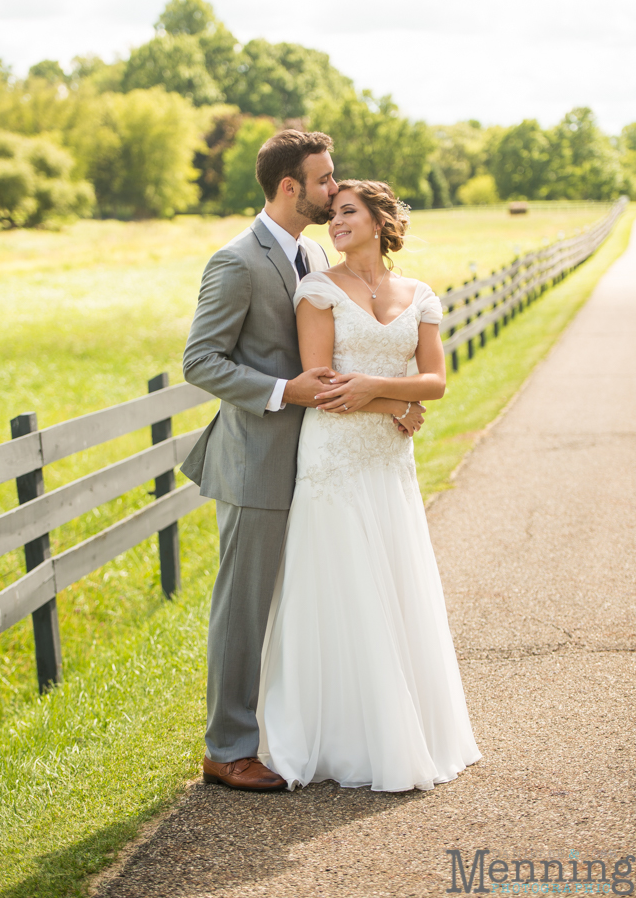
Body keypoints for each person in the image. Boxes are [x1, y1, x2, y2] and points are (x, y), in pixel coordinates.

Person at [181, 133, 427, 792]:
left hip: (319, 454)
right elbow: (200, 361)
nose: (332, 191)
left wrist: (388, 405)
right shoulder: (237, 262)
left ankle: (312, 729)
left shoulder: (312, 253)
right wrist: (281, 391)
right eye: (324, 181)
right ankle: (227, 748)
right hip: (256, 459)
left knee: (313, 600)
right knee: (244, 607)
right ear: (290, 187)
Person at [256, 179, 481, 792]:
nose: (335, 223)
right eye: (332, 215)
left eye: (347, 212)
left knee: (395, 577)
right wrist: (390, 408)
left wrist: (388, 400)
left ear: (381, 221)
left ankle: (405, 729)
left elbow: (435, 381)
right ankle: (341, 738)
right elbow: (323, 384)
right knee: (342, 584)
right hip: (335, 454)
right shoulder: (318, 289)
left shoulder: (419, 294)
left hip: (389, 462)